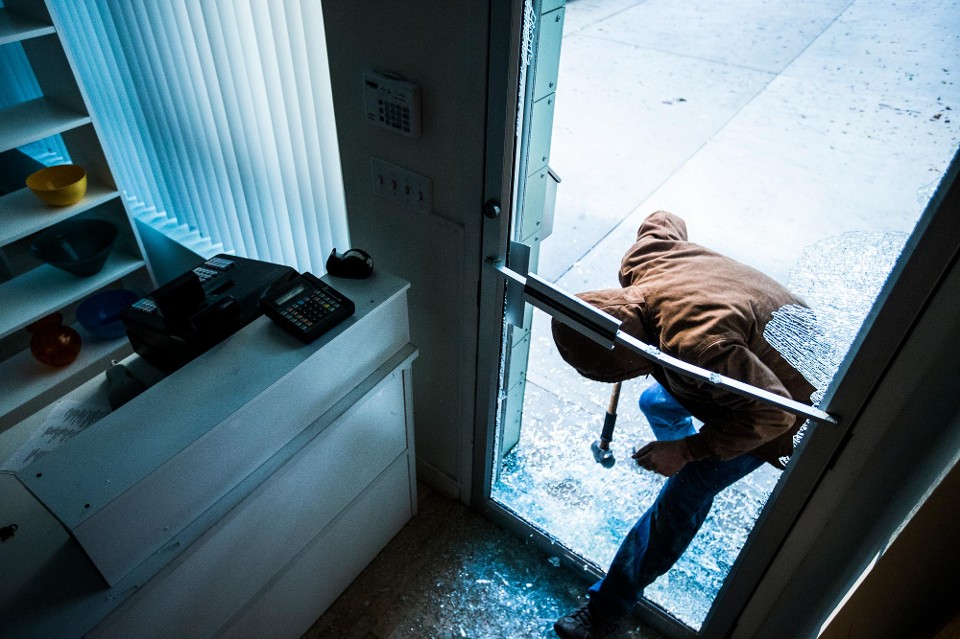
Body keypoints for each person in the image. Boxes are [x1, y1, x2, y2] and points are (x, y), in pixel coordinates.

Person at [550, 210, 815, 639]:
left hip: (793, 398)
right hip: (752, 347)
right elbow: (663, 217)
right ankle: (684, 456)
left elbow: (773, 414)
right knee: (656, 398)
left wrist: (690, 450)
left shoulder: (696, 343)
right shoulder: (643, 261)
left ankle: (606, 610)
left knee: (686, 490)